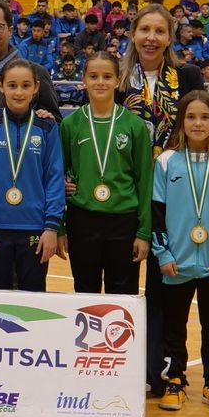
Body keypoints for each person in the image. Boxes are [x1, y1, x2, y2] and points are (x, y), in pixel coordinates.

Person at [120, 4, 205, 389]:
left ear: (170, 37)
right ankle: (119, 363)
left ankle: (163, 367)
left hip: (175, 194)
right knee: (123, 281)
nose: (151, 38)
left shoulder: (187, 75)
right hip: (124, 192)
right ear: (133, 34)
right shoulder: (118, 79)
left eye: (159, 31)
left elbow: (200, 125)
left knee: (166, 282)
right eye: (144, 30)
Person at [153, 90, 209, 413]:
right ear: (180, 122)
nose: (198, 123)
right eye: (190, 117)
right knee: (174, 326)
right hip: (176, 263)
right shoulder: (166, 162)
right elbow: (157, 212)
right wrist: (163, 254)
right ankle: (176, 379)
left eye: (205, 117)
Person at [0, 60, 64, 292]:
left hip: (35, 228)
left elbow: (54, 178)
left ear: (35, 87)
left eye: (25, 85)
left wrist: (51, 228)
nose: (18, 92)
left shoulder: (47, 127)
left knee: (33, 297)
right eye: (12, 85)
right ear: (1, 87)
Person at [59, 52, 152, 295]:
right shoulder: (70, 125)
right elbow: (57, 178)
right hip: (82, 219)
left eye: (107, 76)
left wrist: (143, 232)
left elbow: (144, 181)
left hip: (124, 220)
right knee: (85, 290)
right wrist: (60, 227)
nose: (100, 82)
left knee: (123, 292)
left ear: (118, 80)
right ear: (84, 80)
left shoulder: (134, 126)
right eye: (94, 76)